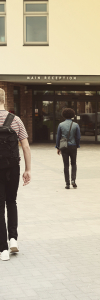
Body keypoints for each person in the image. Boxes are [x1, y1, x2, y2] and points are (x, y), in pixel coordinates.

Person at [0, 88, 31, 261]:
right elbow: (25, 147)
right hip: (13, 167)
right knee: (11, 201)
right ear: (6, 100)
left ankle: (2, 250)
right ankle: (13, 239)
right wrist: (28, 169)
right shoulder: (16, 120)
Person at [56, 108, 81, 189]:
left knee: (66, 165)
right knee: (73, 163)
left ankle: (67, 183)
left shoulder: (60, 125)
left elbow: (58, 137)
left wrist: (58, 147)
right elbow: (78, 137)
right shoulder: (76, 125)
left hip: (64, 147)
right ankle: (73, 180)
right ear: (72, 115)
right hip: (73, 146)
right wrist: (77, 145)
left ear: (64, 115)